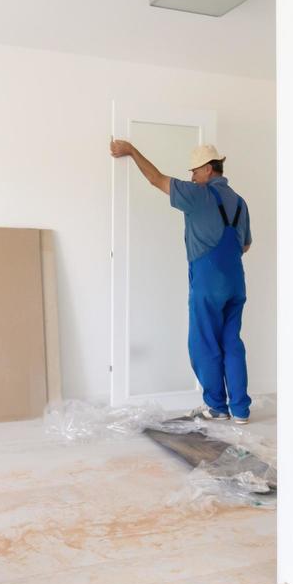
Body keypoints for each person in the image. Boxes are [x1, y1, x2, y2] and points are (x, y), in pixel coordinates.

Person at [110, 139, 252, 424]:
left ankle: (217, 407)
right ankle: (241, 410)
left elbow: (156, 179)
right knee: (232, 343)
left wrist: (132, 151)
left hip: (208, 281)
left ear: (209, 169)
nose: (192, 177)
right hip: (235, 281)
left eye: (195, 171)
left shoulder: (198, 195)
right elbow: (246, 245)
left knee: (204, 343)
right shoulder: (239, 201)